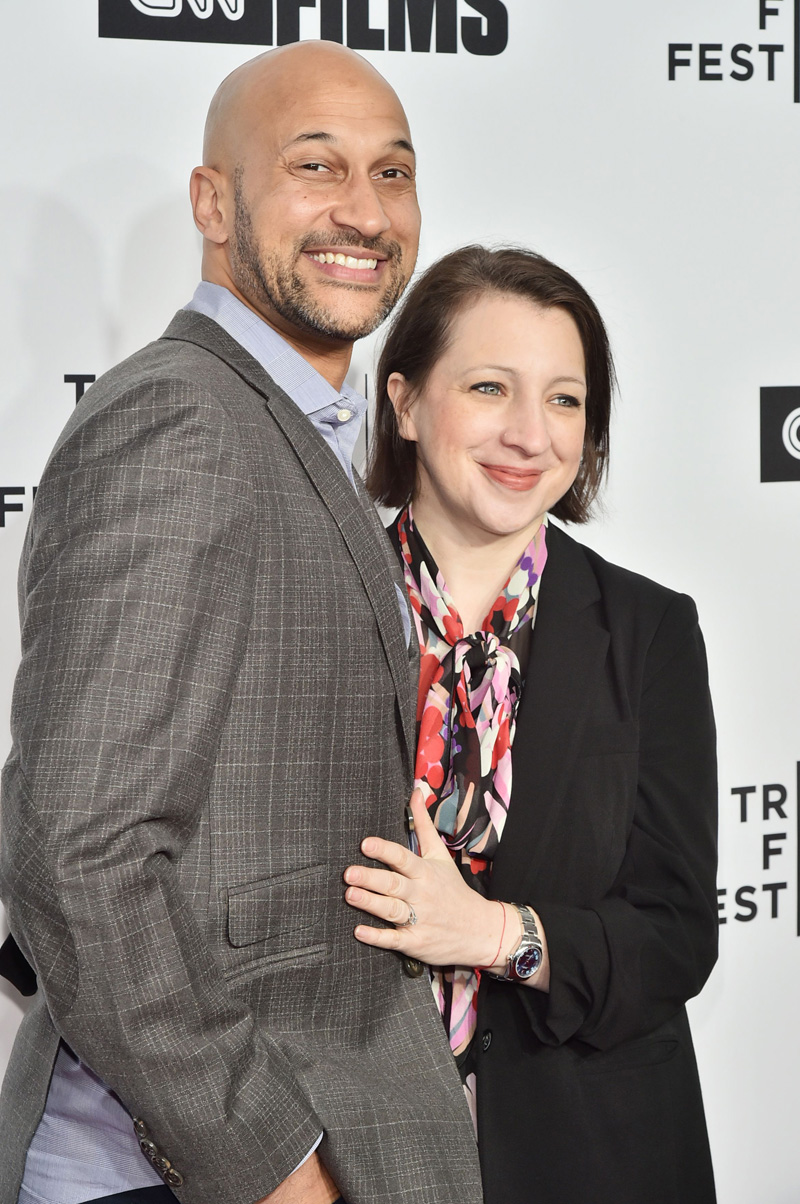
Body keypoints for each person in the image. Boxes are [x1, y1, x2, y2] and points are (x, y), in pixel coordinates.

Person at [0, 44, 481, 1204]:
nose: (362, 211)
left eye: (392, 173)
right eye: (315, 166)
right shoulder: (182, 420)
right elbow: (78, 855)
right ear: (214, 203)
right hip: (181, 1167)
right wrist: (267, 1166)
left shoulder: (291, 424)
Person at [346, 245, 718, 1204]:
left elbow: (674, 935)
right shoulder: (311, 606)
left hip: (592, 1154)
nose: (528, 433)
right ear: (406, 401)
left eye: (564, 400)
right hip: (348, 1151)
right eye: (487, 387)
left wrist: (494, 933)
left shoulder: (647, 630)